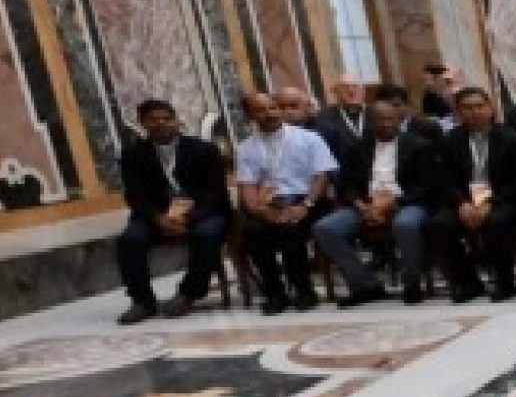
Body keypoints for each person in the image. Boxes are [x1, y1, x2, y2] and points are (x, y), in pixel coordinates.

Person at [113, 99, 230, 324]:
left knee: (206, 234)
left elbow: (215, 193)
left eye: (166, 118)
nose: (161, 124)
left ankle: (189, 294)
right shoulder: (132, 155)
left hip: (203, 212)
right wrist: (158, 219)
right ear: (142, 123)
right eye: (153, 120)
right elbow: (135, 196)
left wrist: (187, 218)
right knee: (129, 240)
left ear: (176, 120)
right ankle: (142, 301)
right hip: (156, 215)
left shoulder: (204, 149)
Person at [232, 90, 339, 314]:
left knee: (291, 230)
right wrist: (263, 212)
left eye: (272, 108)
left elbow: (322, 175)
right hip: (267, 204)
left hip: (307, 200)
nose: (269, 114)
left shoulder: (309, 138)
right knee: (254, 231)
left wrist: (305, 205)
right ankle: (275, 294)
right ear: (250, 116)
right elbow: (247, 188)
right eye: (261, 110)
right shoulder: (245, 148)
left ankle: (304, 291)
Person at [310, 95, 406, 310]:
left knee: (407, 223)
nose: (385, 124)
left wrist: (389, 203)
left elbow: (422, 185)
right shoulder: (357, 148)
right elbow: (347, 186)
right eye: (379, 119)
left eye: (390, 119)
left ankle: (412, 283)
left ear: (398, 120)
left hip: (402, 204)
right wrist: (361, 206)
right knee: (325, 228)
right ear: (369, 122)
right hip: (365, 205)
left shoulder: (415, 145)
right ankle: (365, 285)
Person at [431, 87, 516, 302]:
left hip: (501, 199)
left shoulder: (510, 138)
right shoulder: (450, 140)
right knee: (440, 224)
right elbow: (445, 179)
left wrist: (490, 202)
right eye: (467, 108)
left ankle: (505, 281)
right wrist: (462, 203)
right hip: (464, 200)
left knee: (496, 221)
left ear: (490, 108)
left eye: (479, 106)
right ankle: (467, 282)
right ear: (458, 112)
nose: (474, 112)